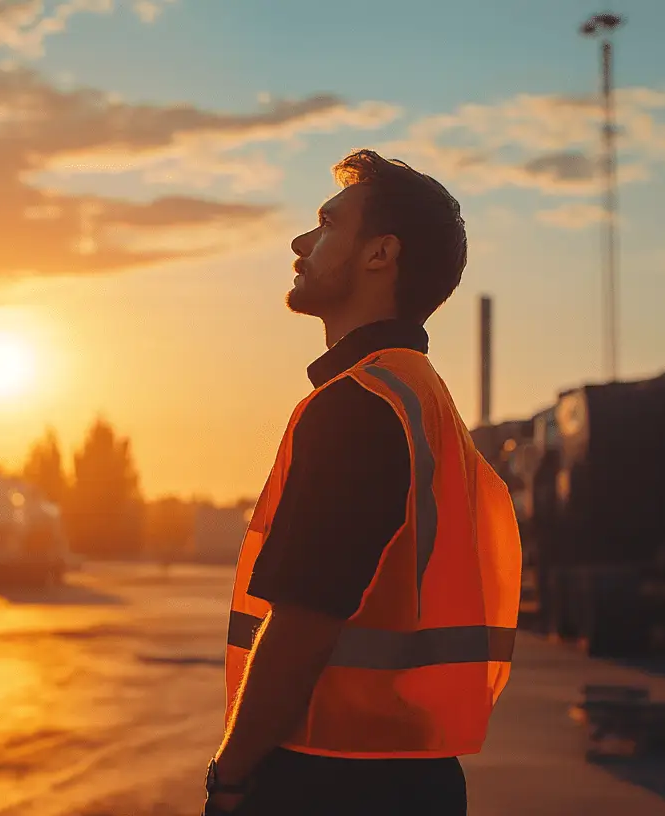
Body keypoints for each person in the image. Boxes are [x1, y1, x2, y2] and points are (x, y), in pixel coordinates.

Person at [201, 150, 523, 816]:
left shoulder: (361, 404)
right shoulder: (423, 399)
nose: (300, 243)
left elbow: (304, 622)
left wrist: (230, 776)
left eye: (325, 225)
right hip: (411, 773)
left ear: (380, 255)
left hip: (331, 781)